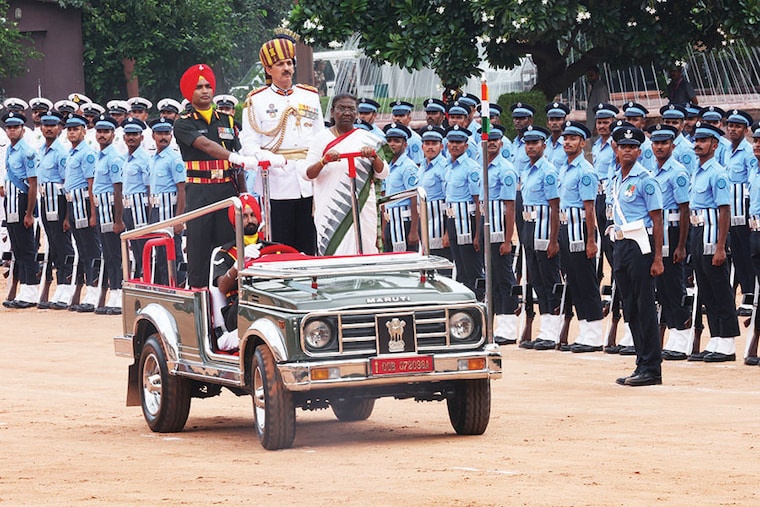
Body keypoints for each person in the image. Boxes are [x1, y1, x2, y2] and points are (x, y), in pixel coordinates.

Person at [173, 63, 257, 289]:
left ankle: (227, 306)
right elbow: (206, 145)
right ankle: (200, 307)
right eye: (199, 87)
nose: (205, 91)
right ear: (190, 93)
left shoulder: (227, 120)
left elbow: (237, 164)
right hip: (200, 192)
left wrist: (245, 196)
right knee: (199, 251)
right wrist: (233, 157)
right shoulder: (183, 122)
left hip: (226, 191)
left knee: (228, 248)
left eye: (208, 85)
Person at [240, 31, 323, 255]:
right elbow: (248, 144)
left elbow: (320, 137)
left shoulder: (310, 96)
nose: (286, 68)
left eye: (289, 63)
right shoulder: (256, 101)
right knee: (281, 244)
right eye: (279, 64)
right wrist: (266, 158)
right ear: (268, 69)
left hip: (307, 177)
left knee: (308, 242)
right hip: (276, 180)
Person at [610, 126, 665, 387]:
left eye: (632, 147)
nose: (627, 150)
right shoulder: (616, 179)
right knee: (629, 306)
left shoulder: (646, 179)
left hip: (640, 244)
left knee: (644, 306)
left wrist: (657, 257)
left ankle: (652, 367)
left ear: (639, 151)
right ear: (616, 149)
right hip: (621, 244)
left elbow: (657, 219)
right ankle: (641, 362)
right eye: (623, 146)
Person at [304, 93, 388, 255]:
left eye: (351, 109)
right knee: (334, 254)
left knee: (365, 251)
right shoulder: (320, 139)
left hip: (362, 206)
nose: (347, 113)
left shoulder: (369, 139)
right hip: (331, 210)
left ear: (356, 113)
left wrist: (373, 156)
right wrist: (324, 161)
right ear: (332, 112)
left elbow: (383, 173)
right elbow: (307, 174)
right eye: (342, 108)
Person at [687, 122, 740, 362]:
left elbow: (724, 211)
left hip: (712, 235)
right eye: (696, 140)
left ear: (715, 145)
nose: (698, 144)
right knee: (706, 289)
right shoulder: (698, 170)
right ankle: (716, 339)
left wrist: (720, 247)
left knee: (720, 288)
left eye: (704, 141)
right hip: (698, 234)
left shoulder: (717, 173)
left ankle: (727, 343)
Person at [556, 120, 605, 353]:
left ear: (582, 143)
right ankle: (585, 330)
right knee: (574, 282)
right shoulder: (565, 168)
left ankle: (594, 334)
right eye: (565, 138)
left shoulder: (585, 171)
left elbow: (589, 208)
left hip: (580, 231)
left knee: (587, 282)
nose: (568, 142)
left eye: (573, 138)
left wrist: (591, 240)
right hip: (566, 229)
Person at [646, 123, 693, 360]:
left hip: (674, 231)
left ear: (672, 145)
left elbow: (684, 210)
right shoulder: (652, 170)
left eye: (664, 143)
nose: (659, 147)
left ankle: (681, 335)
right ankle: (673, 333)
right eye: (656, 143)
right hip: (658, 232)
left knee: (675, 284)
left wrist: (682, 245)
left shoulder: (678, 172)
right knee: (662, 286)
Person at [517, 125, 562, 349]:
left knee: (549, 279)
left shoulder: (548, 171)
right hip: (529, 227)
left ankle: (553, 330)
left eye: (535, 143)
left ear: (544, 145)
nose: (530, 147)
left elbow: (555, 207)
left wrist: (554, 240)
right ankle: (545, 329)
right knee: (535, 279)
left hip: (545, 229)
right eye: (527, 143)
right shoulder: (527, 170)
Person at [478, 124, 520, 346]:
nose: (491, 143)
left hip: (499, 231)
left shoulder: (505, 169)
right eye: (488, 140)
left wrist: (507, 239)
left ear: (501, 143)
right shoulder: (482, 166)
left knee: (505, 279)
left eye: (495, 140)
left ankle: (509, 326)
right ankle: (495, 325)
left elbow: (510, 207)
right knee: (491, 280)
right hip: (487, 230)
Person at [212, 194, 264, 351]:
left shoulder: (273, 249)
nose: (249, 220)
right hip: (238, 309)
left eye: (253, 215)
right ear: (235, 224)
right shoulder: (224, 253)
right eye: (244, 216)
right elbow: (222, 287)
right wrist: (237, 265)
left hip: (268, 303)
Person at [36, 111, 76, 310]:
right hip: (45, 199)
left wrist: (68, 214)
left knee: (63, 243)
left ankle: (67, 284)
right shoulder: (42, 149)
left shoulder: (61, 152)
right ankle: (60, 284)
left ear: (59, 128)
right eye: (45, 125)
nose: (49, 128)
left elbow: (66, 184)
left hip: (59, 201)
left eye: (53, 125)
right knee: (52, 243)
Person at [62, 113, 102, 312]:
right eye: (69, 129)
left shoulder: (87, 153)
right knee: (82, 250)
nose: (72, 132)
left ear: (84, 131)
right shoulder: (72, 152)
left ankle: (95, 290)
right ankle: (88, 289)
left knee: (91, 248)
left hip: (85, 203)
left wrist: (94, 214)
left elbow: (91, 184)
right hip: (73, 204)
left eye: (76, 129)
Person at [1, 111, 39, 309]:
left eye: (15, 127)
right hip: (11, 202)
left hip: (23, 201)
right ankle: (24, 289)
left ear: (22, 129)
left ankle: (31, 290)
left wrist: (30, 213)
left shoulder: (27, 151)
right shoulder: (10, 149)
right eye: (9, 127)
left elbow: (33, 183)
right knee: (17, 248)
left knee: (27, 248)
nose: (12, 130)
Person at [92, 115, 126, 315]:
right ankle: (113, 292)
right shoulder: (101, 155)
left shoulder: (114, 157)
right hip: (102, 209)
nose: (102, 135)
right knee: (108, 254)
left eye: (106, 131)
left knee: (115, 254)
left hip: (111, 209)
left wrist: (118, 220)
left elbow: (118, 190)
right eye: (99, 131)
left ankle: (118, 294)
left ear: (113, 134)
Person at [723, 109, 756, 316]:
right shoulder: (726, 150)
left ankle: (751, 294)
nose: (733, 129)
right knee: (735, 253)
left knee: (747, 252)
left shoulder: (749, 152)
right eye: (731, 126)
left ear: (745, 129)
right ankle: (745, 294)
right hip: (729, 208)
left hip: (743, 208)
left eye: (737, 126)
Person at [148, 117, 186, 286]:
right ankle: (164, 287)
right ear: (153, 135)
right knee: (160, 252)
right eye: (159, 134)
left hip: (169, 210)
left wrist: (179, 220)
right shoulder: (154, 158)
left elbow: (182, 189)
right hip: (156, 209)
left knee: (173, 251)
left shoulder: (174, 158)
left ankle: (176, 286)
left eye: (167, 134)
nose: (163, 137)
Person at [381, 123, 419, 252]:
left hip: (404, 221)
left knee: (406, 260)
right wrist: (383, 227)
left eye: (397, 141)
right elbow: (384, 199)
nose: (392, 144)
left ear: (405, 144)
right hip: (390, 220)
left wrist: (414, 230)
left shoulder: (408, 167)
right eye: (389, 141)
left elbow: (415, 199)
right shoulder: (387, 166)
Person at [121, 117, 151, 280]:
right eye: (128, 134)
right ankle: (141, 278)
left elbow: (149, 188)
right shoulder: (125, 158)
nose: (131, 137)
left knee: (143, 245)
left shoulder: (145, 159)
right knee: (134, 246)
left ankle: (147, 278)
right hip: (128, 207)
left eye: (135, 134)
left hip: (140, 207)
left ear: (142, 137)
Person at [418, 125, 451, 263]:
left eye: (434, 144)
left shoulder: (444, 167)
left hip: (440, 221)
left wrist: (448, 233)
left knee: (441, 262)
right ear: (422, 146)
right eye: (427, 143)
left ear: (441, 146)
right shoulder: (421, 166)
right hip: (425, 220)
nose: (430, 147)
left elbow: (449, 200)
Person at [544, 102, 569, 169]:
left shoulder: (569, 145)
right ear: (547, 123)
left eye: (558, 119)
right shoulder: (544, 145)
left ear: (564, 121)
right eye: (551, 119)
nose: (554, 123)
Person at [586, 66, 610, 136]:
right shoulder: (593, 87)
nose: (589, 78)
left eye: (591, 75)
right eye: (588, 76)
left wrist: (596, 127)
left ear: (597, 75)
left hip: (597, 128)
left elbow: (601, 107)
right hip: (592, 125)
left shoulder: (600, 88)